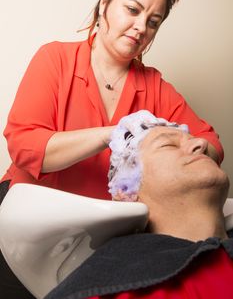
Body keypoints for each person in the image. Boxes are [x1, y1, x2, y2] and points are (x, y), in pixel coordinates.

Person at [0, 0, 223, 202]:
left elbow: (211, 142)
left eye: (153, 22)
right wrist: (114, 133)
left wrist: (183, 146)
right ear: (104, 2)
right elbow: (25, 146)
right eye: (132, 9)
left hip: (103, 228)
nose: (141, 27)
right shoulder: (55, 58)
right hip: (29, 210)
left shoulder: (154, 86)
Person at [44, 111, 233, 299]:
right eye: (168, 144)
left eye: (195, 140)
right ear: (126, 191)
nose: (202, 143)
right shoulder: (104, 293)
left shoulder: (162, 90)